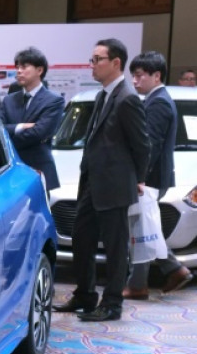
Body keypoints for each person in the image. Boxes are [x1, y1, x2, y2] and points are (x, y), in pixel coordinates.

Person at [53, 38, 149, 322]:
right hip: (92, 184)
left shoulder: (128, 98)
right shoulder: (102, 95)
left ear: (116, 63)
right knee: (82, 239)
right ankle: (85, 294)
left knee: (115, 248)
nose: (92, 65)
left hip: (115, 186)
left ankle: (112, 304)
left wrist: (139, 179)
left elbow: (142, 145)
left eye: (97, 59)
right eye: (92, 59)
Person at [124, 51, 193, 299]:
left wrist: (139, 177)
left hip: (150, 178)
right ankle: (172, 269)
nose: (135, 81)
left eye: (140, 75)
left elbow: (149, 145)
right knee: (145, 228)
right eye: (133, 76)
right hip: (151, 177)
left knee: (141, 230)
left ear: (157, 75)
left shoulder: (159, 102)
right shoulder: (155, 99)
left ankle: (139, 285)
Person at [0, 47, 65, 191]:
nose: (19, 71)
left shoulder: (54, 100)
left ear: (39, 70)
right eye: (17, 67)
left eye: (24, 67)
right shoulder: (9, 100)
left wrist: (6, 140)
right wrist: (20, 127)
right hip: (10, 171)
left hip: (38, 169)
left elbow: (39, 133)